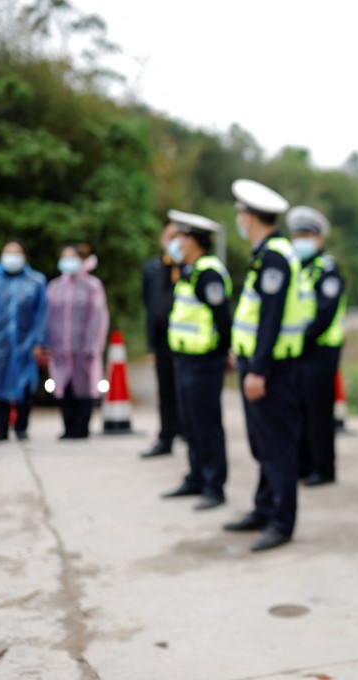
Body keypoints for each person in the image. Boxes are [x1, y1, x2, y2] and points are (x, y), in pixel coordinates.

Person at [223, 179, 305, 552]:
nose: (239, 220)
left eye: (241, 214)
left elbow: (271, 317)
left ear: (250, 216)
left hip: (272, 369)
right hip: (257, 362)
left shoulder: (274, 256)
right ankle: (264, 507)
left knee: (276, 447)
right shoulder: (267, 254)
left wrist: (257, 369)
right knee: (263, 444)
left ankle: (281, 522)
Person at [160, 211, 232, 511]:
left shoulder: (208, 272)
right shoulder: (189, 270)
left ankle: (214, 486)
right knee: (190, 424)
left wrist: (225, 353)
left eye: (179, 237)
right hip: (185, 359)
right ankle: (195, 477)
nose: (174, 242)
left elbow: (222, 320)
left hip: (205, 362)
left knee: (206, 425)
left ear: (193, 240)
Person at [287, 206, 346, 487]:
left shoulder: (328, 270)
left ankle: (323, 469)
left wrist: (300, 337)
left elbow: (324, 314)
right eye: (296, 234)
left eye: (306, 235)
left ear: (319, 238)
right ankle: (304, 465)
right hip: (300, 351)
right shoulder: (300, 269)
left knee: (319, 413)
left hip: (321, 351)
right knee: (300, 410)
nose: (300, 240)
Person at [0, 239, 48, 442]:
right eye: (7, 252)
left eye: (16, 252)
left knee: (25, 387)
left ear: (25, 256)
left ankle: (21, 427)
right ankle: (1, 428)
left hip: (26, 345)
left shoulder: (36, 281)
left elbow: (42, 315)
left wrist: (40, 342)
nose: (11, 257)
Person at [46, 243, 109, 439]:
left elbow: (98, 317)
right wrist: (47, 344)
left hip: (84, 348)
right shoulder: (55, 286)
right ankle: (67, 427)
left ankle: (82, 427)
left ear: (82, 261)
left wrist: (92, 345)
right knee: (63, 387)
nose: (68, 261)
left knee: (84, 388)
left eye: (72, 257)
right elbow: (47, 317)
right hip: (60, 349)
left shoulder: (92, 285)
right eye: (64, 256)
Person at [140, 222, 181, 458]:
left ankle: (186, 431)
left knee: (184, 392)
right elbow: (149, 301)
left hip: (188, 342)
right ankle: (166, 436)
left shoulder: (191, 268)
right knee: (165, 391)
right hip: (162, 339)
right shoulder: (153, 268)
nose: (175, 241)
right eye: (170, 236)